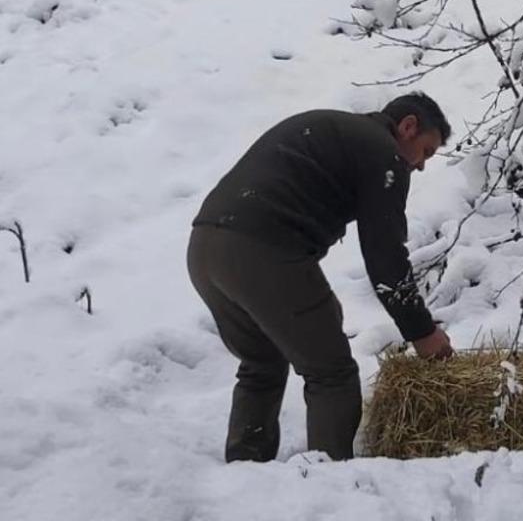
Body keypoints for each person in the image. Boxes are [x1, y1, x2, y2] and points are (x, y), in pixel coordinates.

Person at [188, 92, 454, 463]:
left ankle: (245, 473)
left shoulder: (339, 131)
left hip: (205, 248)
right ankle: (331, 489)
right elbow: (385, 256)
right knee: (333, 374)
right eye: (425, 152)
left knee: (262, 363)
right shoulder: (384, 155)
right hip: (263, 249)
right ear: (408, 127)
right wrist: (422, 332)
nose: (421, 166)